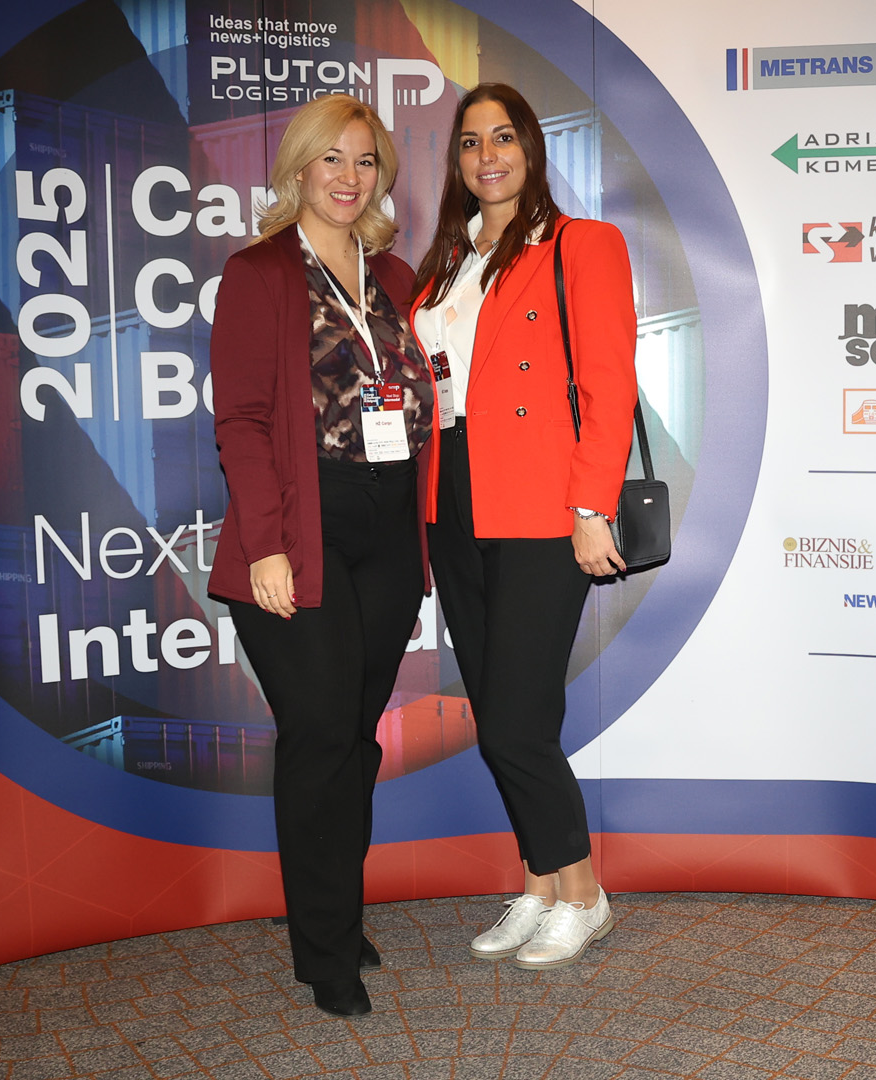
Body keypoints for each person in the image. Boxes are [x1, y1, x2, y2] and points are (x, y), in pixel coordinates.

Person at [208, 94, 434, 1017]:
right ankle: (324, 952)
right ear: (299, 168)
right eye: (331, 159)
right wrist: (265, 545)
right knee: (321, 734)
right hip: (301, 529)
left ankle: (337, 912)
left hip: (389, 530)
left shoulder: (398, 276)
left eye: (365, 160)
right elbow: (241, 420)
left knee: (356, 738)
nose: (349, 177)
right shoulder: (258, 271)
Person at [412, 83, 637, 970]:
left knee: (518, 721)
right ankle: (541, 886)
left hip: (543, 504)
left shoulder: (581, 244)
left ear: (531, 149)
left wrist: (590, 509)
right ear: (458, 162)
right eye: (471, 142)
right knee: (497, 710)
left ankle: (584, 895)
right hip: (454, 499)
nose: (488, 156)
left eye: (503, 137)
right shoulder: (446, 262)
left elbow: (608, 385)